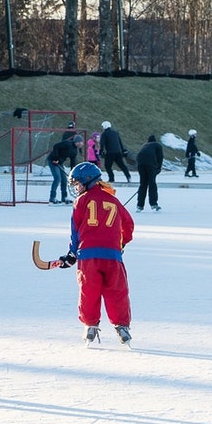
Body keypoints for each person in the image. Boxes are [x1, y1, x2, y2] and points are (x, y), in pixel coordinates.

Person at [55, 161, 134, 345]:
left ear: (88, 180)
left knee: (88, 291)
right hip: (113, 256)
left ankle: (90, 325)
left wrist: (72, 254)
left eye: (78, 183)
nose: (76, 188)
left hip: (88, 257)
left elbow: (75, 231)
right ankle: (122, 327)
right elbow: (129, 226)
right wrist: (120, 243)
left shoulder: (81, 201)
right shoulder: (114, 201)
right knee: (117, 292)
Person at [46, 130, 76, 205]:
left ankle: (64, 197)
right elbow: (56, 146)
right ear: (76, 141)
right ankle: (52, 198)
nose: (81, 144)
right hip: (53, 160)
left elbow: (73, 162)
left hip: (59, 163)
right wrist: (55, 158)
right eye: (79, 142)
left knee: (64, 180)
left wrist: (72, 172)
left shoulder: (75, 151)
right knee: (57, 178)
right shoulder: (67, 143)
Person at [136, 134, 164, 211]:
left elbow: (139, 156)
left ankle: (139, 205)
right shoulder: (157, 145)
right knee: (152, 184)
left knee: (143, 184)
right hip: (150, 164)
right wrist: (158, 168)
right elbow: (160, 157)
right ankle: (154, 204)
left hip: (140, 164)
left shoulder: (145, 146)